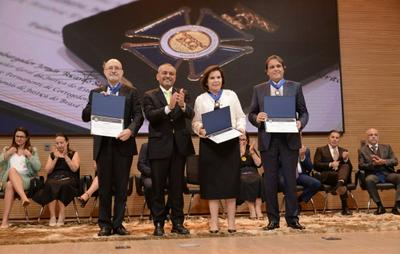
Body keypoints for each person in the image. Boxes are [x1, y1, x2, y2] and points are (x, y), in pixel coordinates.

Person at [82, 58, 144, 236]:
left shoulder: (131, 92)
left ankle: (118, 224)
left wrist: (130, 131)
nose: (114, 70)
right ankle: (104, 225)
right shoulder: (96, 92)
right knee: (104, 188)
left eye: (117, 67)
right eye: (110, 68)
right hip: (103, 146)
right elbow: (85, 116)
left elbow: (138, 116)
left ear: (122, 72)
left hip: (123, 145)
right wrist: (97, 102)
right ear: (105, 71)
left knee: (121, 187)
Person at [248, 55, 308, 230]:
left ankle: (293, 219)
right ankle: (273, 220)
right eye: (272, 67)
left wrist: (300, 123)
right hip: (268, 141)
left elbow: (304, 113)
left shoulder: (295, 87)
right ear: (267, 71)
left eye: (278, 66)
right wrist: (256, 118)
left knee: (290, 181)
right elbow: (251, 114)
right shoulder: (259, 89)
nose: (275, 69)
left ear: (283, 68)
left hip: (289, 140)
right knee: (270, 182)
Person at [142, 63, 195, 236]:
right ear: (157, 76)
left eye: (171, 73)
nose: (168, 76)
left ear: (175, 76)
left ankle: (177, 223)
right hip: (159, 147)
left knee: (177, 188)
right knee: (157, 188)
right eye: (164, 73)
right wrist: (168, 107)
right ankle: (158, 223)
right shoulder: (149, 95)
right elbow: (151, 116)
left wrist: (182, 105)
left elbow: (191, 114)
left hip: (179, 147)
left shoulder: (182, 93)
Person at [192, 65, 246, 233]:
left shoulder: (231, 95)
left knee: (230, 184)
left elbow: (240, 117)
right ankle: (214, 222)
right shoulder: (200, 99)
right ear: (206, 82)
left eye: (218, 77)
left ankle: (231, 223)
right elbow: (196, 122)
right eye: (212, 78)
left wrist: (240, 130)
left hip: (230, 145)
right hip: (209, 146)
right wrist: (200, 129)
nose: (216, 80)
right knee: (212, 185)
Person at [33, 133, 80, 226]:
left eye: (61, 143)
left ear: (67, 142)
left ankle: (62, 215)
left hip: (69, 178)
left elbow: (74, 169)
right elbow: (48, 170)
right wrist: (55, 158)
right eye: (57, 143)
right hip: (54, 177)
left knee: (63, 184)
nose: (59, 145)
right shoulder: (52, 155)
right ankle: (52, 216)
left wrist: (66, 156)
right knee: (50, 184)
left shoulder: (74, 153)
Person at [0, 127, 41, 228]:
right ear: (14, 137)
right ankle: (23, 199)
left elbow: (38, 167)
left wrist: (30, 156)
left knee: (12, 172)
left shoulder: (32, 150)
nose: (19, 139)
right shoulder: (7, 149)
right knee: (10, 183)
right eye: (17, 136)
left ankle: (5, 222)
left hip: (26, 180)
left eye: (22, 137)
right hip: (9, 179)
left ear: (26, 138)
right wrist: (8, 153)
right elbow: (0, 162)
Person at [358, 128, 400, 215]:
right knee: (369, 180)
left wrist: (383, 161)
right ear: (367, 138)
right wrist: (373, 164)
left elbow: (395, 161)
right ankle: (380, 206)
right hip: (373, 174)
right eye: (371, 135)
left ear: (378, 137)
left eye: (375, 135)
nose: (373, 137)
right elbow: (361, 166)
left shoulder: (387, 147)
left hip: (387, 173)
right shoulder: (362, 150)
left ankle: (397, 206)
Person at [314, 130, 353, 215]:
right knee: (341, 179)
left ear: (339, 139)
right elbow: (316, 165)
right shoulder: (321, 150)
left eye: (337, 138)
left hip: (339, 176)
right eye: (332, 137)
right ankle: (345, 208)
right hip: (327, 176)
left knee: (345, 167)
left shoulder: (343, 150)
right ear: (329, 138)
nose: (334, 139)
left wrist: (346, 160)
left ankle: (338, 185)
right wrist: (330, 164)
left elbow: (349, 167)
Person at [279, 144, 321, 212]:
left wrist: (302, 156)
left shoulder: (305, 150)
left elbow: (310, 168)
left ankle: (297, 201)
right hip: (285, 175)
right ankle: (292, 205)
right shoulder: (280, 149)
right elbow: (277, 164)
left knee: (316, 184)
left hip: (300, 175)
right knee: (283, 183)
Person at [238, 133, 263, 220]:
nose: (242, 142)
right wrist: (241, 153)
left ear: (247, 140)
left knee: (259, 179)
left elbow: (259, 164)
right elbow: (233, 166)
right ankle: (252, 209)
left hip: (253, 172)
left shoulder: (250, 148)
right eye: (240, 140)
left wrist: (252, 153)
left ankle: (258, 209)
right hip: (241, 173)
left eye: (244, 140)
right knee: (246, 181)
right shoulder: (234, 150)